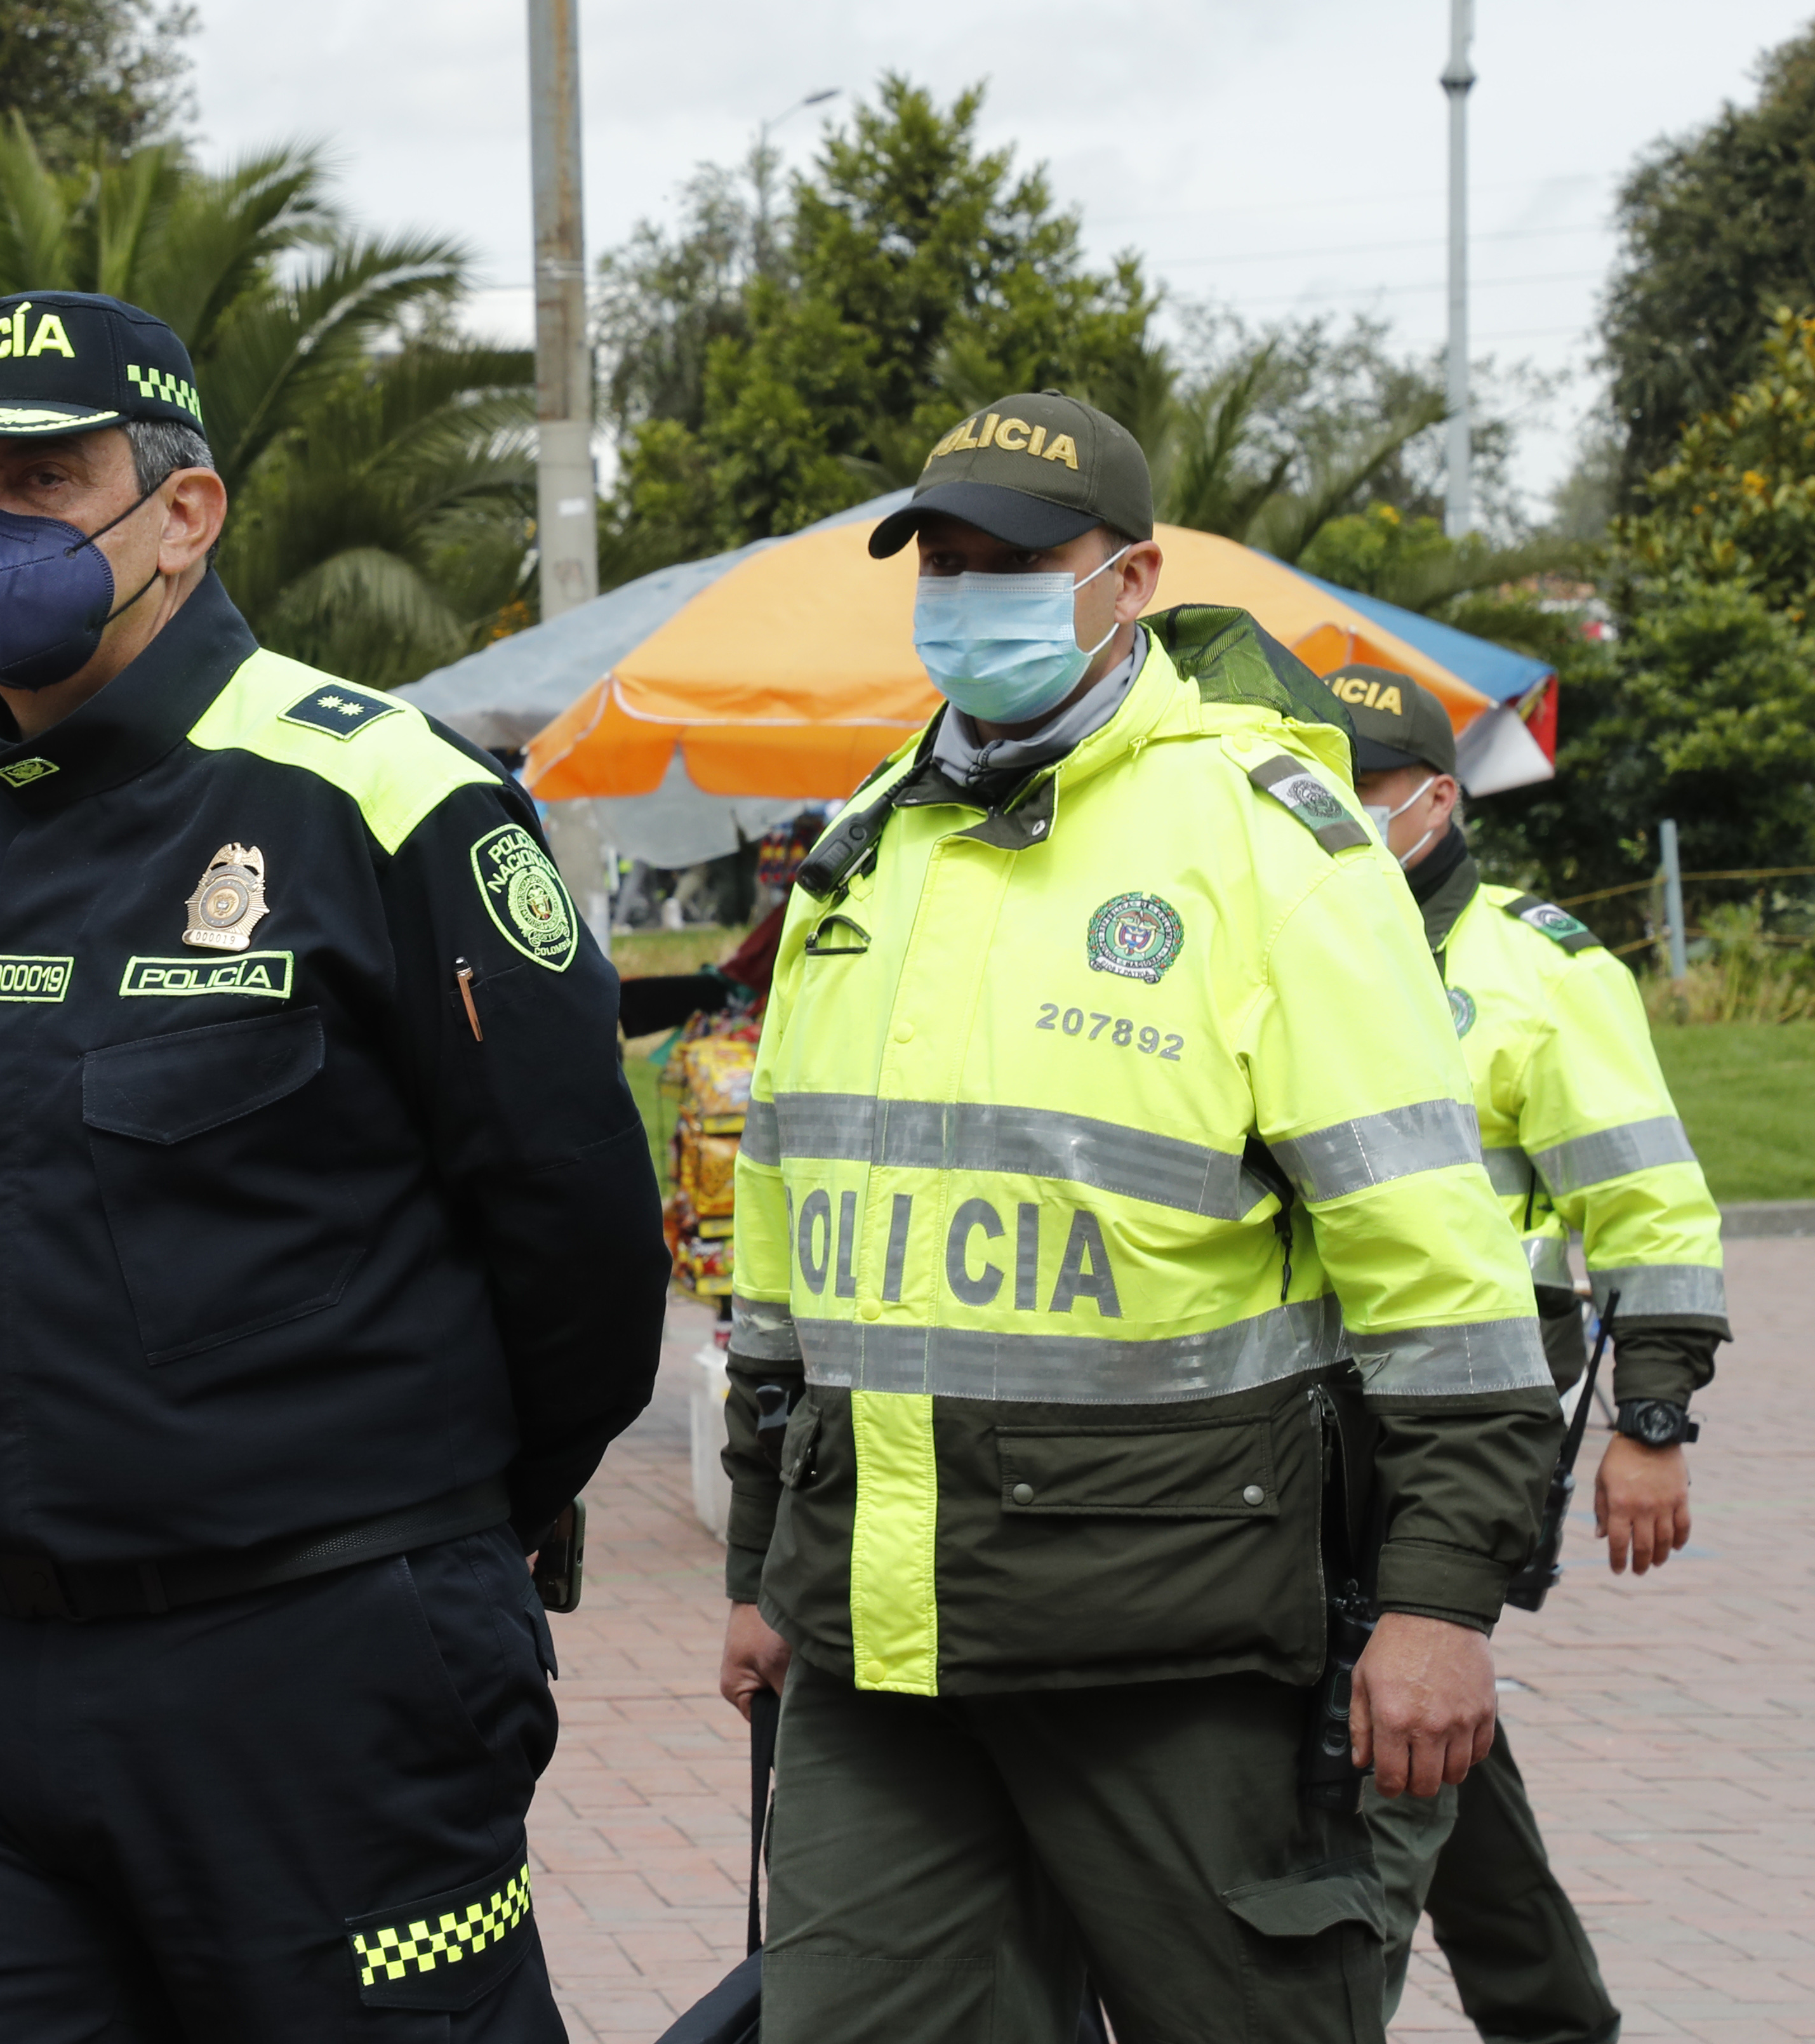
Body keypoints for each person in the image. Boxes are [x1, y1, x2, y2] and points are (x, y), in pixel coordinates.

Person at [0, 290, 668, 2042]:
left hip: (322, 1661)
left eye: (40, 483)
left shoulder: (382, 802)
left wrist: (434, 1532)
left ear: (181, 514)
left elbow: (577, 1242)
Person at [714, 392, 1561, 2044]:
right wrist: (761, 1560)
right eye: (943, 563)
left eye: (1021, 562)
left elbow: (1439, 1280)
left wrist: (1441, 1602)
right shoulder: (869, 840)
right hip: (882, 1646)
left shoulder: (1269, 838)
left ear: (1136, 575)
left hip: (1167, 1636)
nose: (971, 596)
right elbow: (781, 1253)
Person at [1342, 670, 1727, 2044]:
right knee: (1428, 1734)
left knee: (1372, 1762)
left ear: (1435, 801)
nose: (1330, 818)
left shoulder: (1532, 966)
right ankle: (1552, 2018)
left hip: (1474, 1412)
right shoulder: (1291, 940)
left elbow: (1645, 1202)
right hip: (1307, 1411)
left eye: (1360, 794)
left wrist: (1652, 1415)